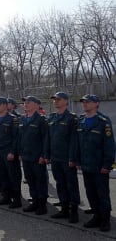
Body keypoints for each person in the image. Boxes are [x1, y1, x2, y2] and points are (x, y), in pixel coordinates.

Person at [78, 94, 115, 232]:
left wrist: (107, 164)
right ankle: (96, 216)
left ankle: (105, 219)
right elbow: (79, 143)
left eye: (88, 102)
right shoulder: (81, 120)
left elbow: (109, 145)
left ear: (96, 104)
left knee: (102, 193)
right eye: (83, 102)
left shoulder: (103, 121)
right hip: (86, 164)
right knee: (91, 192)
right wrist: (78, 160)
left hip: (99, 165)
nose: (85, 104)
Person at [48, 92, 80, 223]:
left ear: (66, 101)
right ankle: (64, 208)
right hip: (55, 157)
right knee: (60, 184)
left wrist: (73, 158)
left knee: (71, 184)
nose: (56, 102)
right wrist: (47, 154)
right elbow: (49, 139)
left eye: (59, 99)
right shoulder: (52, 118)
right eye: (54, 100)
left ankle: (74, 211)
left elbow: (74, 141)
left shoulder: (72, 118)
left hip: (67, 158)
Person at [19, 96, 49, 215]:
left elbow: (45, 139)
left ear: (37, 105)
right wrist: (20, 152)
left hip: (37, 157)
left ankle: (42, 205)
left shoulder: (41, 120)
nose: (25, 104)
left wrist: (43, 155)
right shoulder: (23, 119)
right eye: (25, 102)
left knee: (40, 181)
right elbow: (20, 138)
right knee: (30, 180)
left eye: (29, 102)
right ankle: (35, 201)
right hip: (26, 156)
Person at [0, 97, 21, 208]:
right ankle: (6, 196)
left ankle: (17, 199)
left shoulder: (13, 119)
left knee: (13, 176)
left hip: (8, 152)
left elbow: (16, 137)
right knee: (2, 175)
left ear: (5, 105)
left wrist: (13, 152)